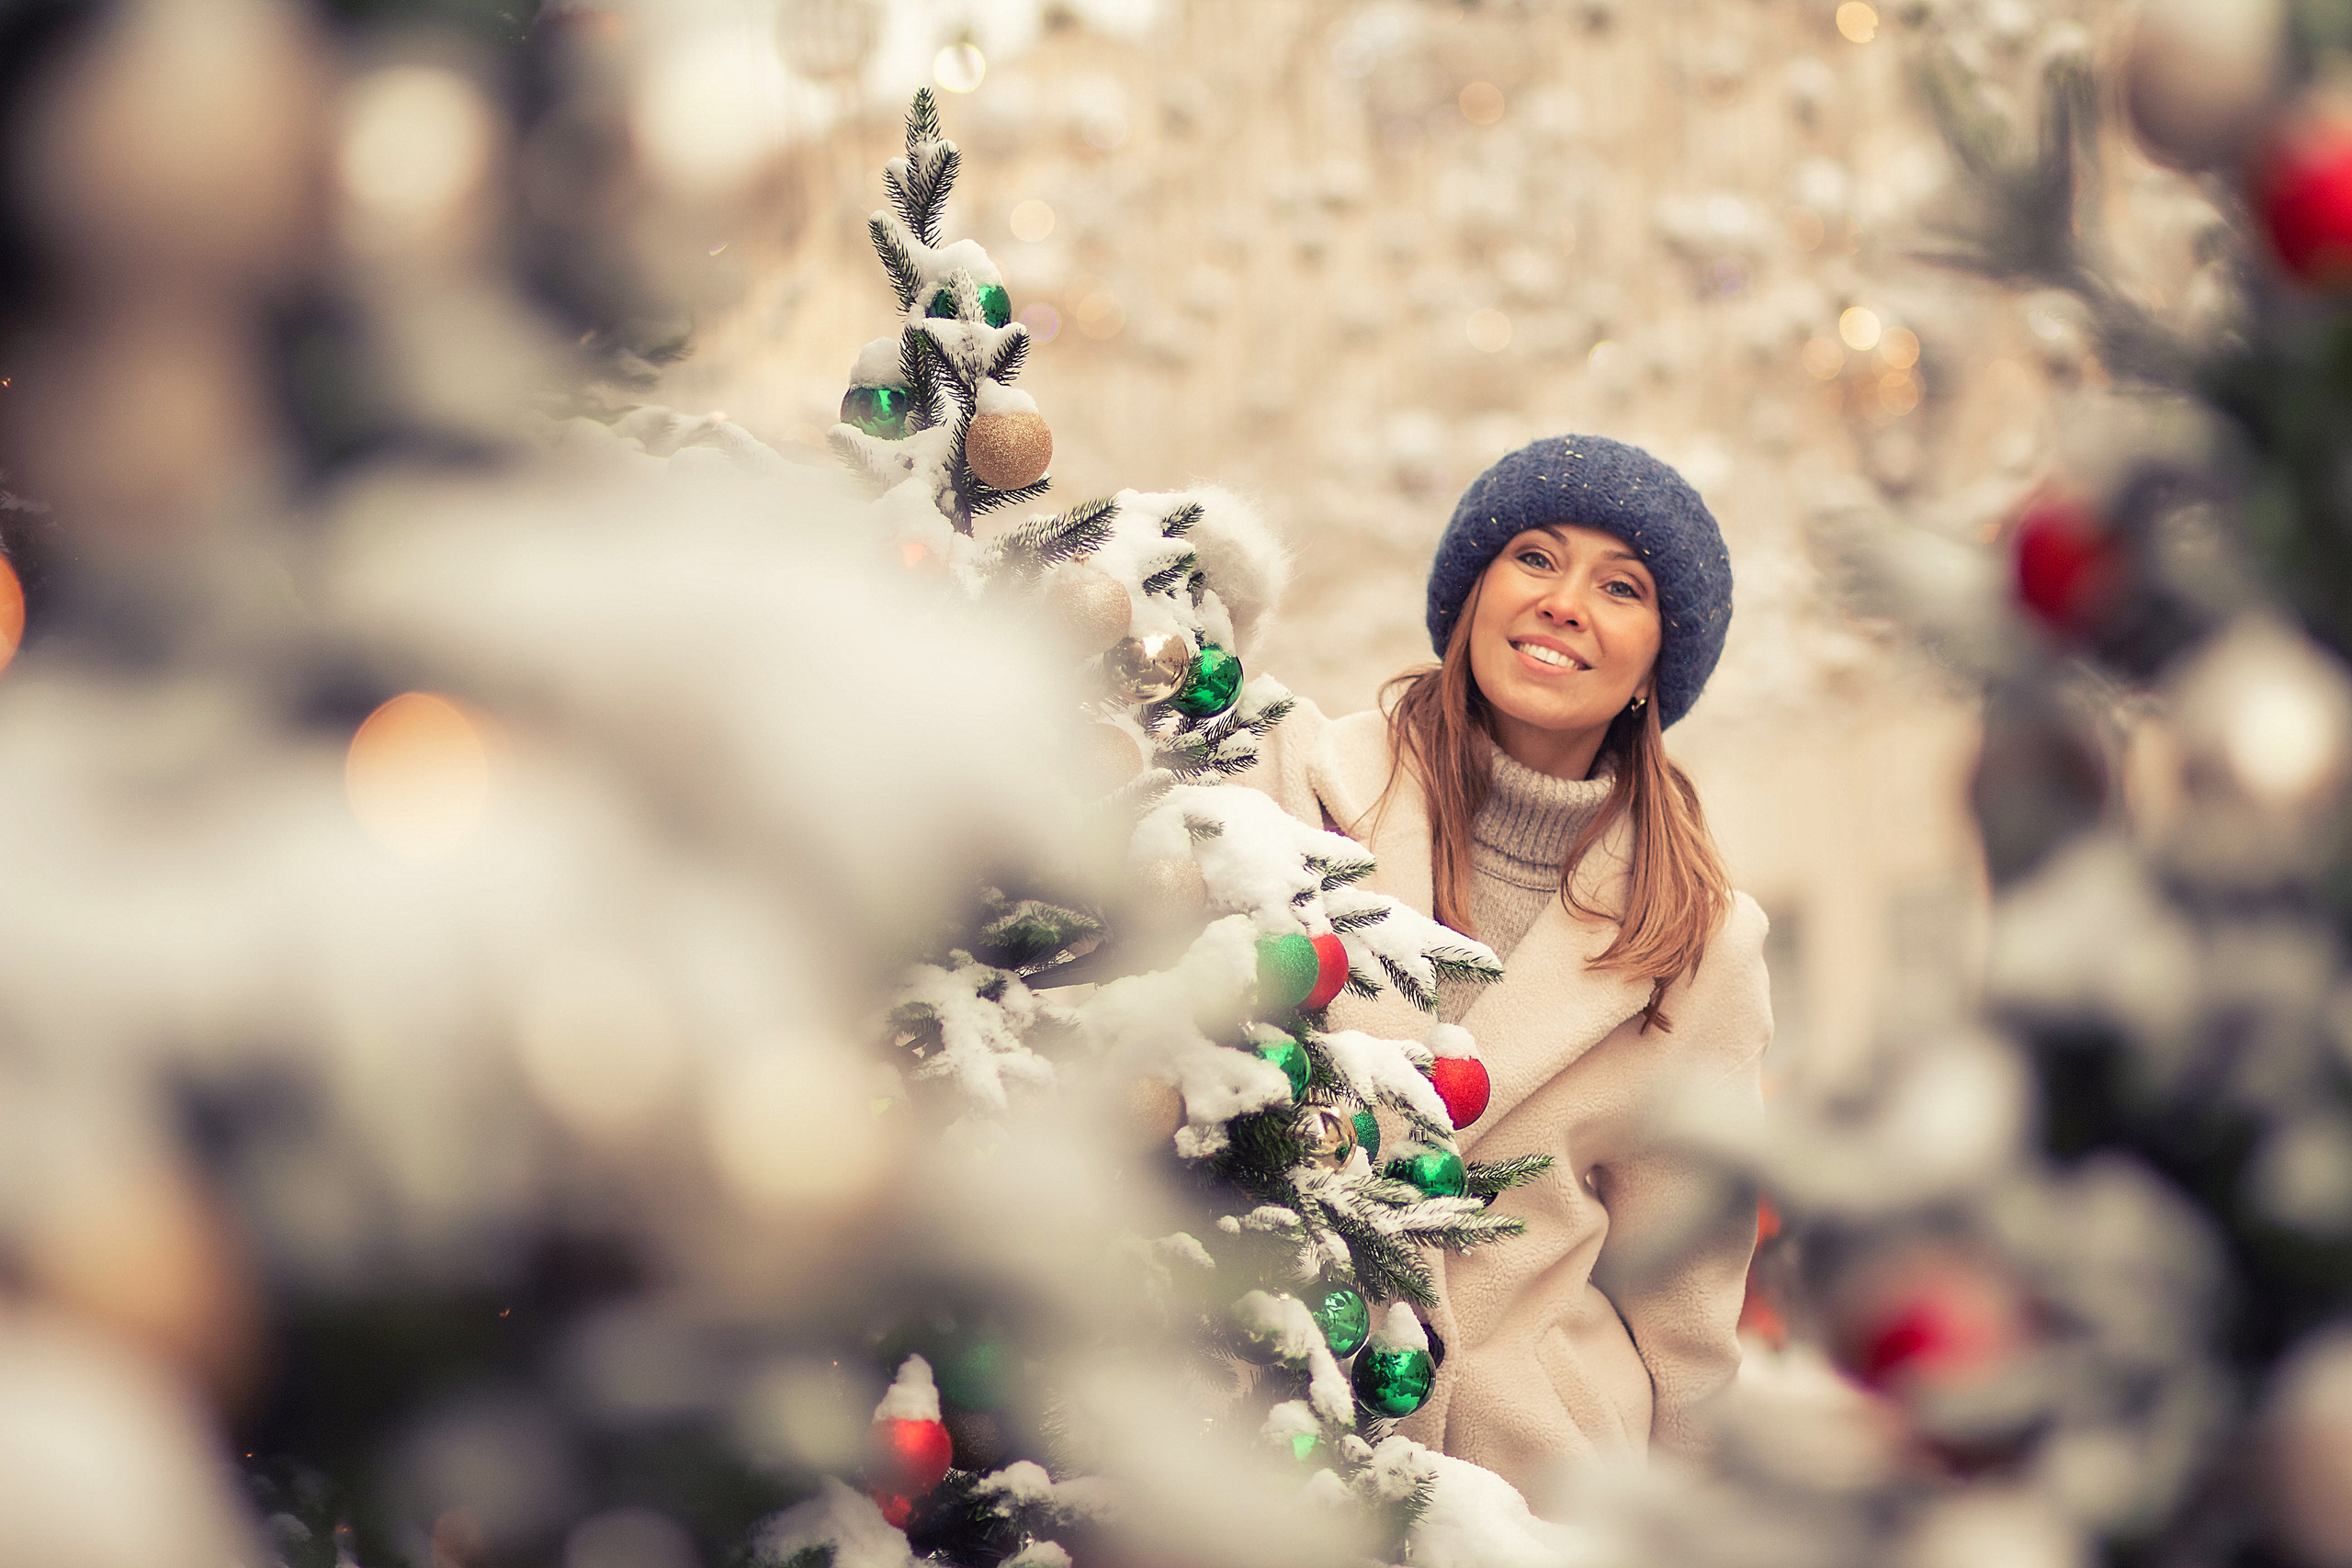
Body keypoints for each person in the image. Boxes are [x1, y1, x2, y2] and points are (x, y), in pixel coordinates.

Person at [1239, 434, 1770, 1503]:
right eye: (1534, 557)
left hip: (1533, 1485)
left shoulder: (1701, 944)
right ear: (1471, 596)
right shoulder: (1293, 784)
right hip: (1264, 1432)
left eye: (1620, 586)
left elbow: (1687, 1301)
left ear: (1655, 667)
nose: (1565, 602)